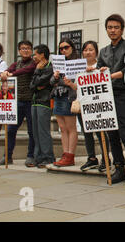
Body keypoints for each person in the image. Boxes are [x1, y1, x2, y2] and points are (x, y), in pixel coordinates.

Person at [96, 14, 125, 187]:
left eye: (116, 27)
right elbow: (100, 70)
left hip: (122, 94)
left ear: (122, 29)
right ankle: (119, 169)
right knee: (111, 133)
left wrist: (110, 75)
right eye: (109, 27)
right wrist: (97, 71)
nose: (113, 30)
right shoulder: (104, 51)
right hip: (106, 95)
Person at [0, 40, 37, 167]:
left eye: (28, 48)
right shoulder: (15, 64)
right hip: (17, 102)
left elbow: (26, 70)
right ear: (19, 51)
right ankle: (7, 156)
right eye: (23, 48)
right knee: (10, 130)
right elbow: (8, 71)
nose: (26, 50)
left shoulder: (34, 63)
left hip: (30, 101)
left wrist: (11, 74)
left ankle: (30, 156)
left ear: (31, 50)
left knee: (31, 131)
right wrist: (4, 73)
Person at [75, 40, 111, 172]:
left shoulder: (100, 65)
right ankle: (91, 159)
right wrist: (68, 83)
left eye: (90, 49)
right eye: (85, 50)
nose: (88, 52)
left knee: (100, 132)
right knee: (87, 133)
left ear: (96, 51)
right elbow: (76, 86)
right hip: (83, 104)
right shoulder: (79, 67)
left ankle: (106, 159)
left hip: (97, 104)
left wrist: (97, 71)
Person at [51, 38, 79, 167]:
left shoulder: (77, 62)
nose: (63, 50)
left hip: (69, 97)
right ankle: (65, 153)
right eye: (61, 48)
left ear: (72, 47)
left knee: (70, 127)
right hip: (58, 95)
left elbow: (77, 82)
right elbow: (51, 82)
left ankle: (70, 155)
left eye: (66, 47)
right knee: (62, 128)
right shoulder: (58, 63)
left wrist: (62, 81)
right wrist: (55, 77)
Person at [30, 44, 55, 168]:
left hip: (44, 102)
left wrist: (38, 73)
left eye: (35, 54)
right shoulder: (37, 67)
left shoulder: (50, 67)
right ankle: (38, 157)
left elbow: (41, 82)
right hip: (35, 101)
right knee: (35, 132)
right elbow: (32, 85)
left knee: (43, 131)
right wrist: (37, 72)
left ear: (42, 55)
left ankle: (48, 156)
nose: (34, 57)